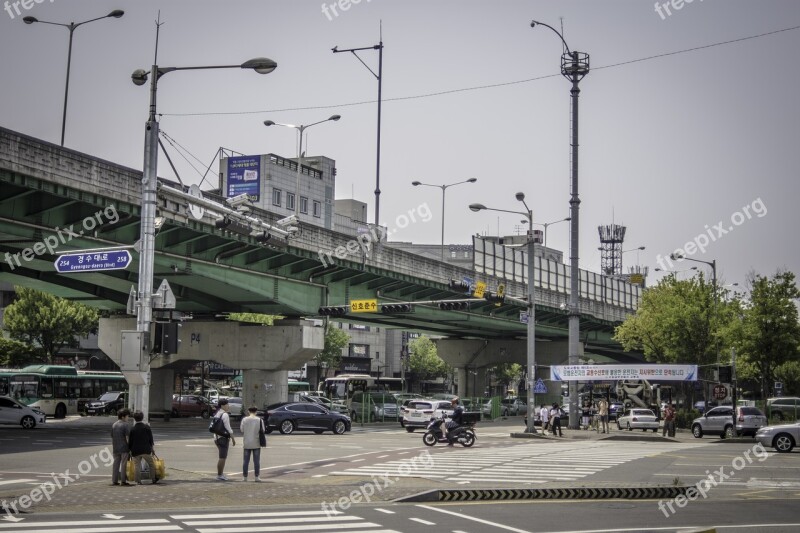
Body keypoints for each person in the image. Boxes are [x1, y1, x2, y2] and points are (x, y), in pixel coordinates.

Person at [129, 410, 158, 485]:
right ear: (142, 418)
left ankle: (138, 481)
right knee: (151, 464)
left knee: (137, 466)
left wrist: (130, 450)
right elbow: (150, 440)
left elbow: (130, 441)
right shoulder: (146, 427)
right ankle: (153, 479)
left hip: (135, 451)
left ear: (134, 419)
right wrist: (152, 449)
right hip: (146, 450)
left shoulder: (132, 429)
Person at [213, 398, 236, 481]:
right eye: (226, 404)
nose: (228, 406)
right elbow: (228, 427)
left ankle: (220, 474)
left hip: (216, 437)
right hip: (223, 438)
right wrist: (233, 438)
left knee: (222, 456)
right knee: (222, 457)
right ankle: (219, 475)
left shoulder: (217, 413)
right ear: (222, 405)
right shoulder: (224, 414)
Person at [240, 406, 265, 482]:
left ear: (248, 411)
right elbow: (263, 430)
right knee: (256, 461)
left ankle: (245, 477)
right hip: (256, 442)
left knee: (246, 461)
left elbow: (242, 430)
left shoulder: (244, 419)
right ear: (256, 411)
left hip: (247, 442)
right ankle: (257, 477)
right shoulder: (259, 420)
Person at [110, 408, 131, 486]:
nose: (128, 418)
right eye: (127, 416)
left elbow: (112, 437)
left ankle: (114, 480)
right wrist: (129, 447)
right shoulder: (125, 425)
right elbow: (127, 437)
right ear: (123, 417)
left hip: (115, 448)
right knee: (123, 464)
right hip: (124, 448)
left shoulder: (114, 425)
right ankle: (123, 481)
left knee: (115, 464)